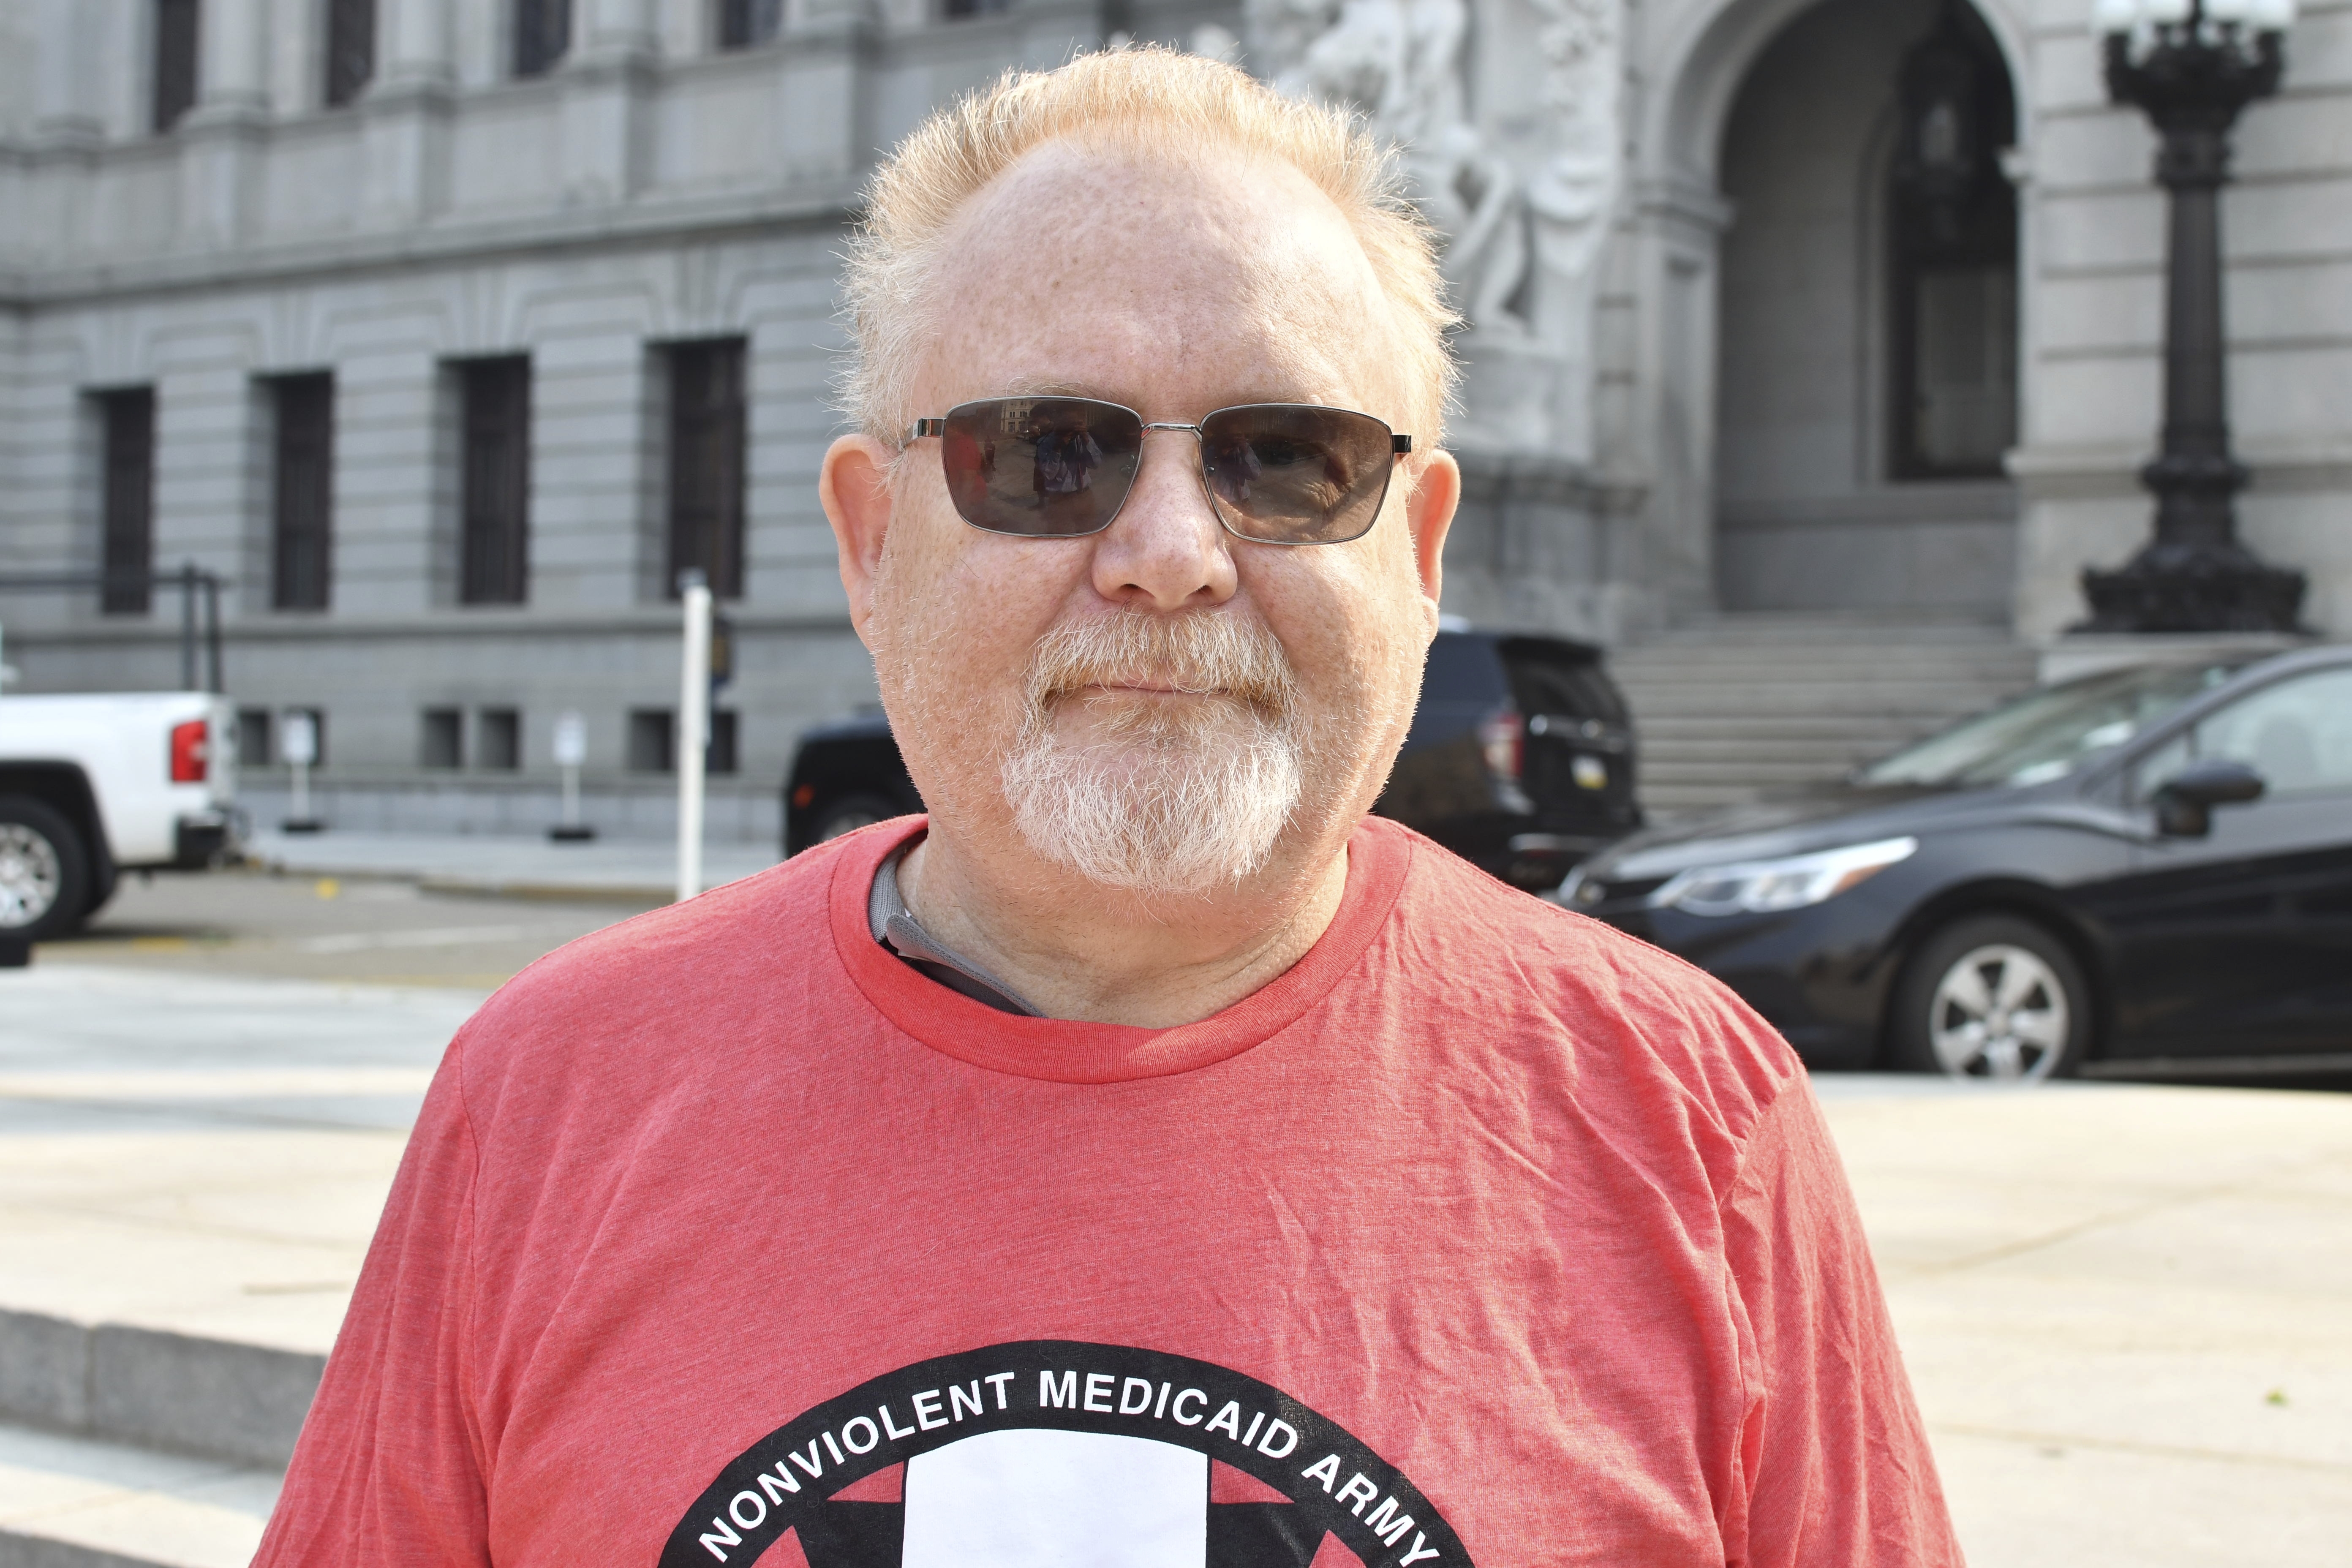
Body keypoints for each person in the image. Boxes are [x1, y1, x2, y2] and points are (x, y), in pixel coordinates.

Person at [255, 48, 1961, 1568]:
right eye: (1047, 453)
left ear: (1424, 552)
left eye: (1288, 458)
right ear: (870, 545)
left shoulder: (1694, 1118)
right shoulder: (547, 1099)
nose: (1168, 556)